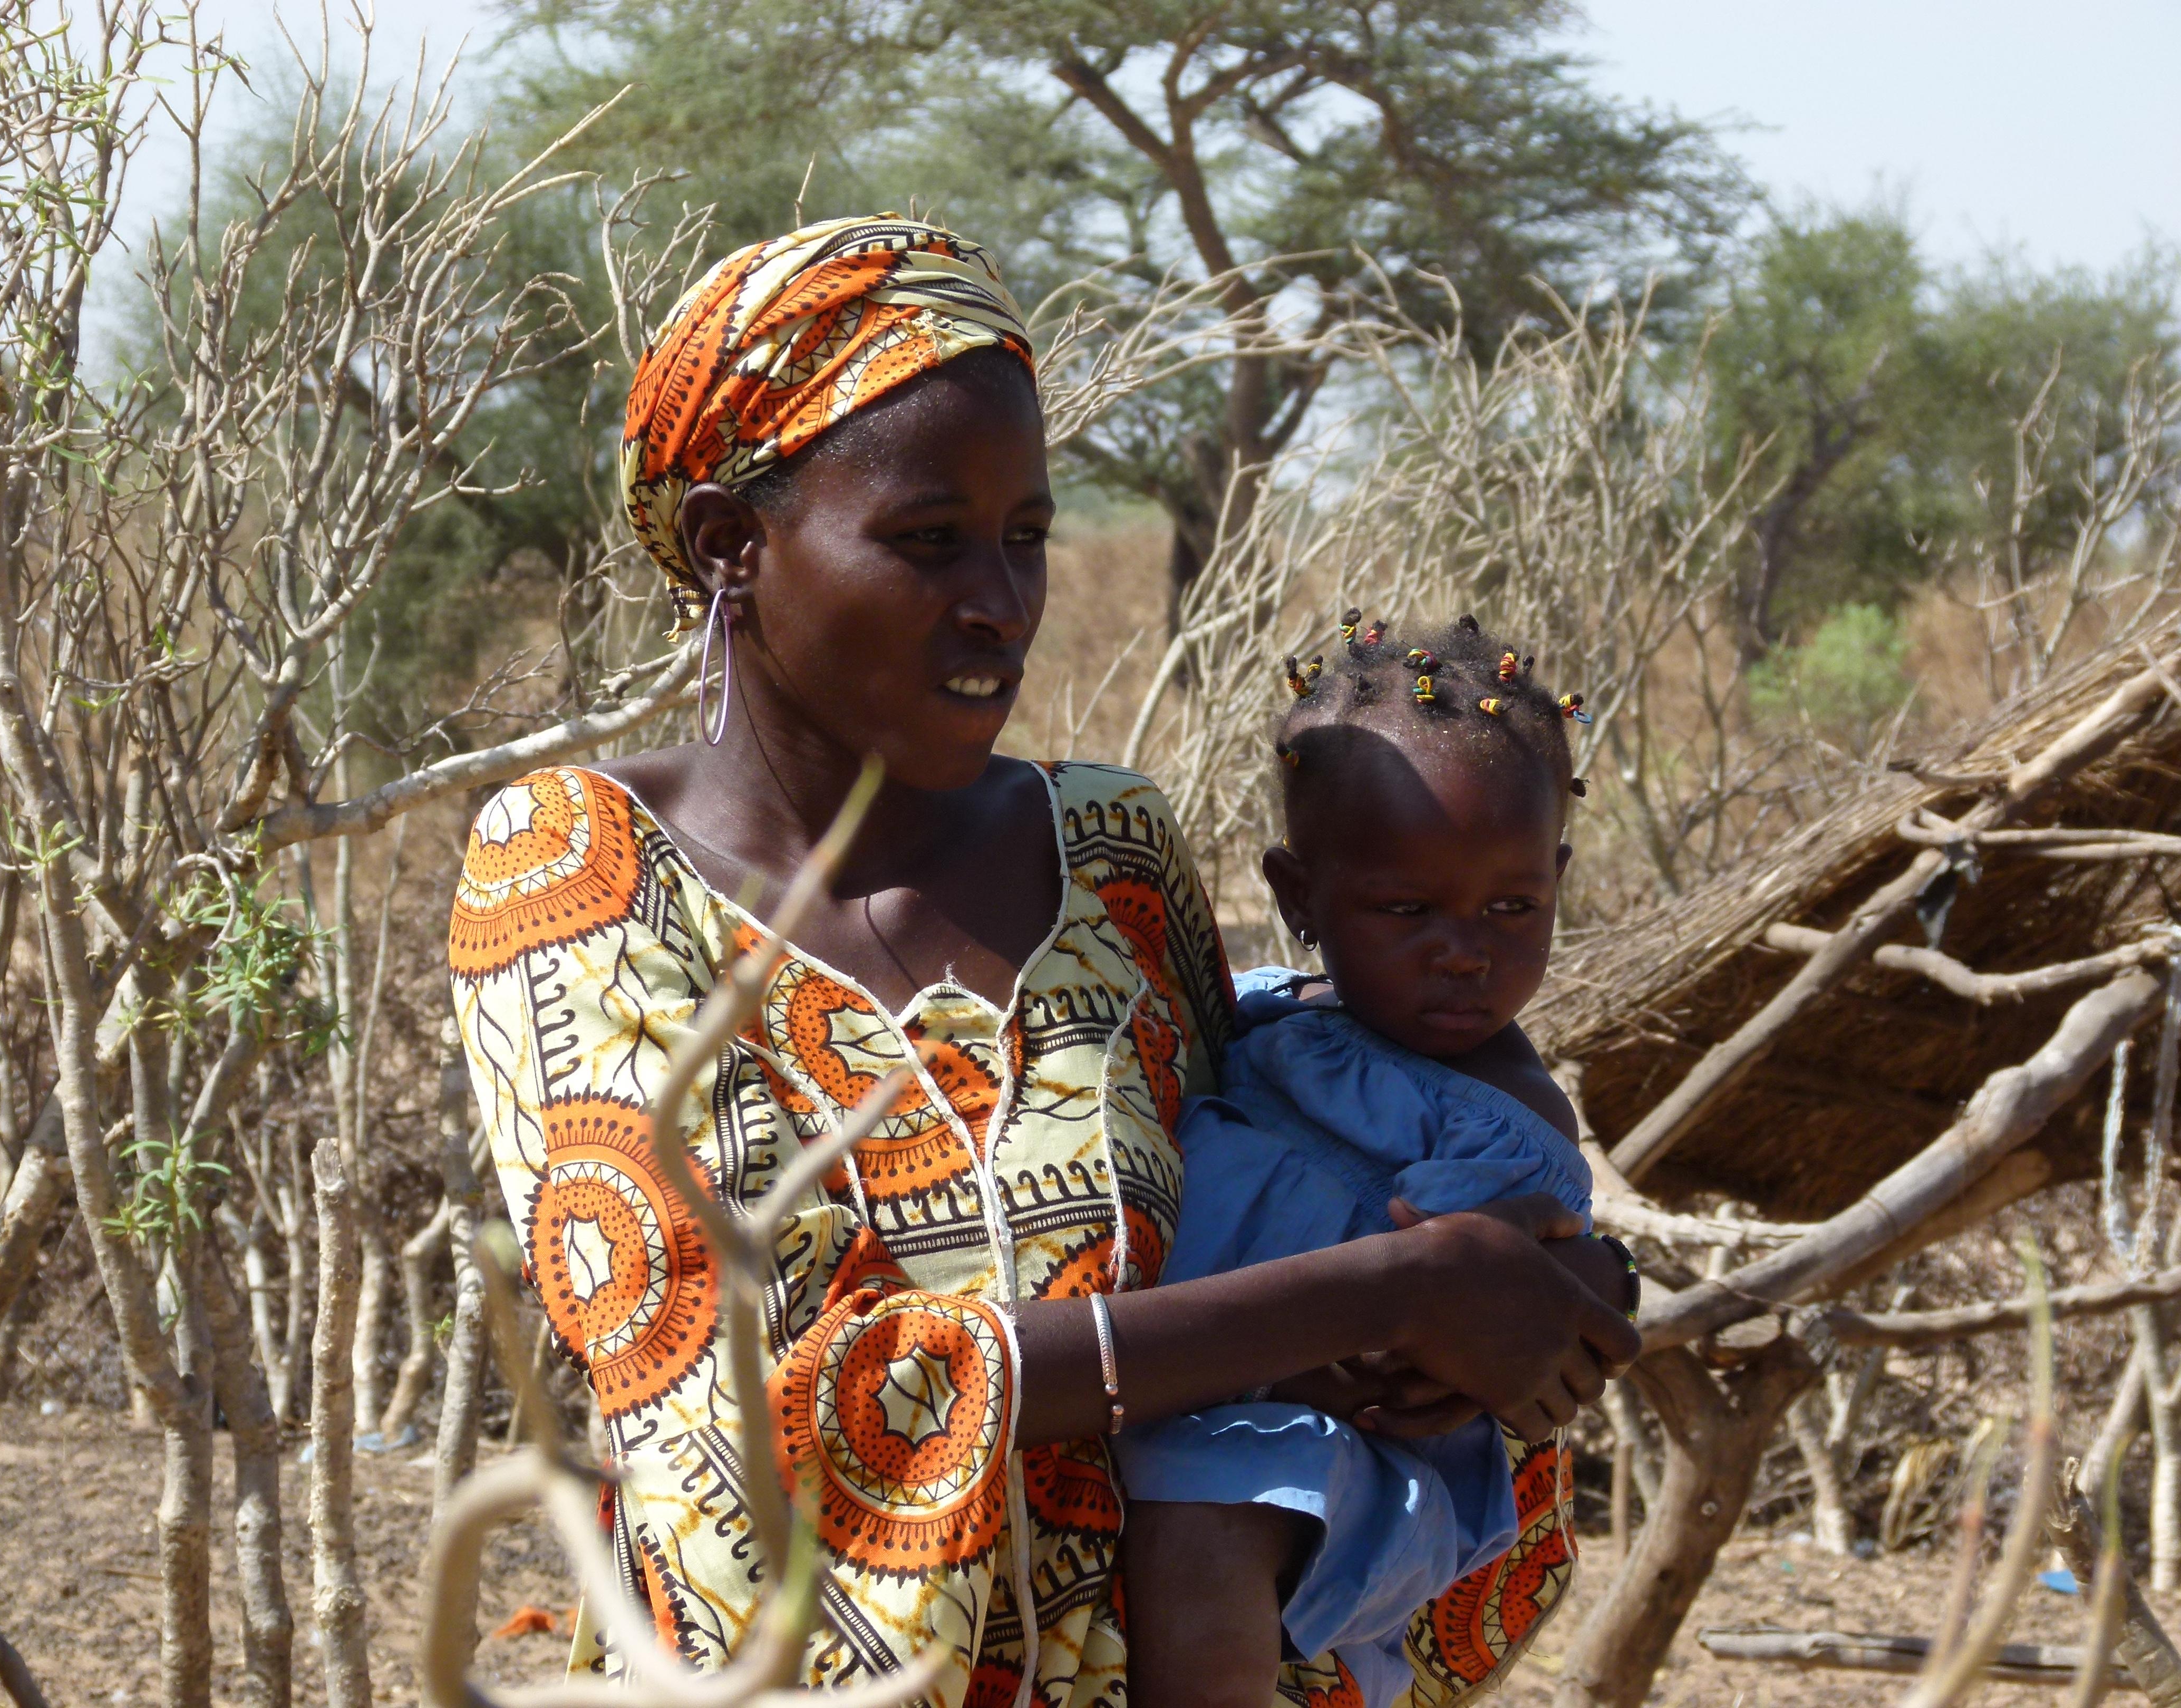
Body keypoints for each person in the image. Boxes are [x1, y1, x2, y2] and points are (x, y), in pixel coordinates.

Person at [447, 216, 1639, 1708]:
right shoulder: (577, 870)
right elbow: (751, 1413)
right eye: (929, 539)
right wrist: (1386, 1293)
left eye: (1026, 538)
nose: (1001, 605)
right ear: (728, 547)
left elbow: (1290, 1176)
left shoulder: (1112, 851)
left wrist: (1544, 1283)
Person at [1113, 617, 1637, 1708]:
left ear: (1560, 880)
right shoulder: (1255, 1013)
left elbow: (1427, 1349)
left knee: (1202, 1535)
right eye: (1406, 909)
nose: (1465, 947)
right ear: (1300, 898)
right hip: (1173, 1386)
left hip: (1333, 1452)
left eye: (1514, 907)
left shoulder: (1497, 1122)